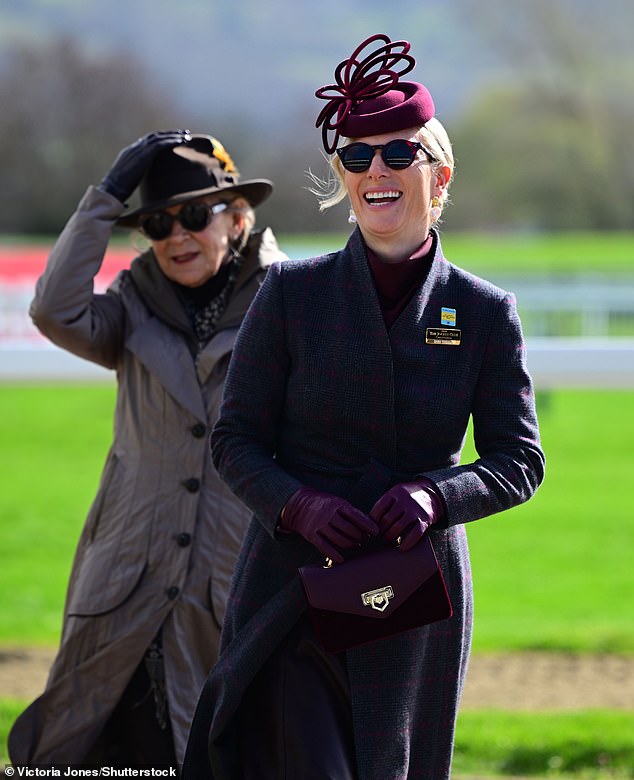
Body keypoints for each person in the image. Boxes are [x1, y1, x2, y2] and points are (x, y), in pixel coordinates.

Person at [183, 34, 545, 780]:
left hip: (414, 598)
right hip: (290, 588)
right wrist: (299, 507)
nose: (376, 170)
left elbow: (520, 462)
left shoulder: (482, 312)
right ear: (344, 178)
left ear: (438, 176)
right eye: (357, 157)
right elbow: (236, 440)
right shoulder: (290, 296)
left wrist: (435, 497)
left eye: (397, 155)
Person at [8, 130, 287, 769]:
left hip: (230, 581)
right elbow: (54, 311)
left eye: (194, 215)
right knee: (94, 746)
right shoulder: (130, 304)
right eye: (158, 225)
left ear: (238, 216)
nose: (176, 237)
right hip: (126, 578)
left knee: (227, 751)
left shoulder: (289, 301)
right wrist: (104, 198)